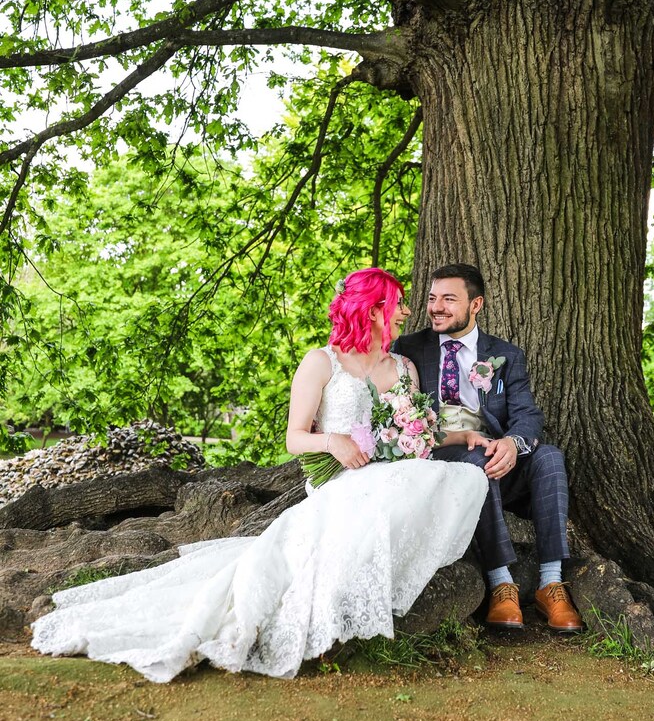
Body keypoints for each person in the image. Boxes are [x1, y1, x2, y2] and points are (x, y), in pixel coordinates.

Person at [31, 268, 488, 682]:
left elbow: (419, 431)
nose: (408, 309)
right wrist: (334, 442)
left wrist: (460, 438)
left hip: (388, 477)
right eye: (398, 301)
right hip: (340, 481)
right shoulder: (322, 362)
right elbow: (294, 438)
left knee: (458, 479)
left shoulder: (402, 367)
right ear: (371, 310)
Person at [394, 263, 583, 634]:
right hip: (442, 458)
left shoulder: (505, 355)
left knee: (549, 457)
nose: (436, 307)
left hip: (496, 459)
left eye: (449, 299)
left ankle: (550, 582)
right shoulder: (409, 349)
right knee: (476, 459)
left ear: (475, 304)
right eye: (432, 298)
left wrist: (513, 443)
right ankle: (501, 584)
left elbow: (527, 415)